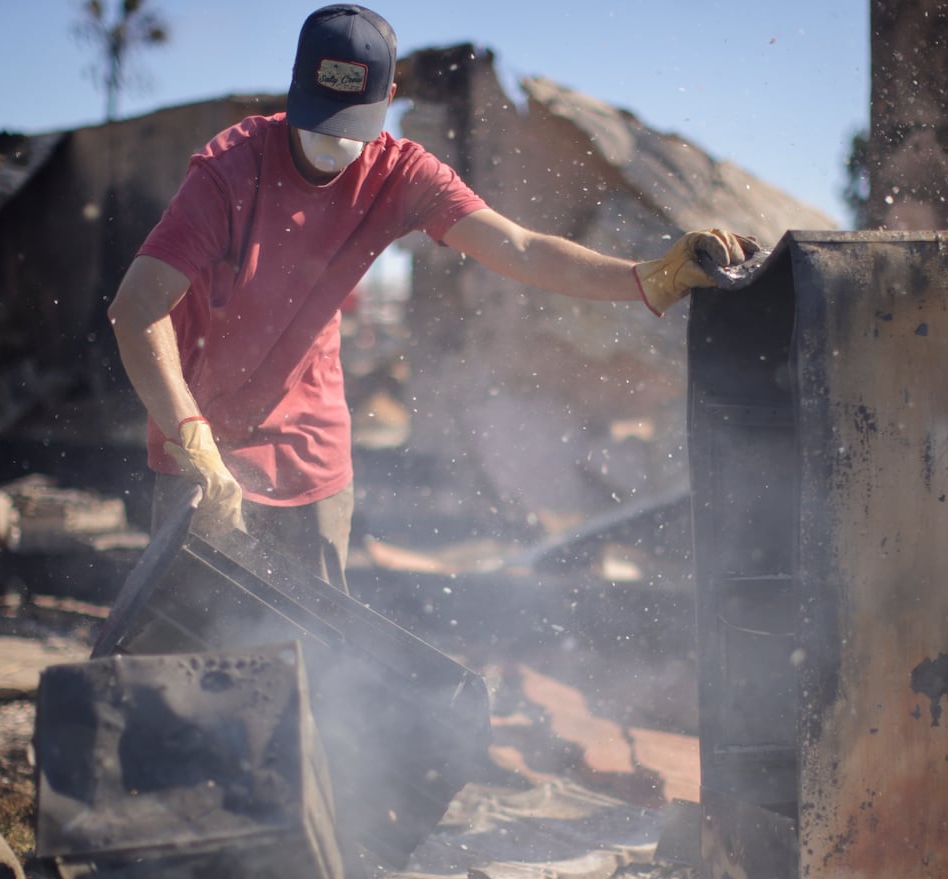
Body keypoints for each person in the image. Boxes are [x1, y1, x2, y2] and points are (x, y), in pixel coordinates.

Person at [109, 3, 751, 589]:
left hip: (310, 456)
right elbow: (136, 308)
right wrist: (191, 439)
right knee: (184, 654)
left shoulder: (400, 175)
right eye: (318, 123)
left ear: (388, 99)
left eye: (350, 128)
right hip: (198, 446)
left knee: (309, 653)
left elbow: (520, 248)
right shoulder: (229, 169)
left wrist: (648, 278)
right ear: (297, 84)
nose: (332, 146)